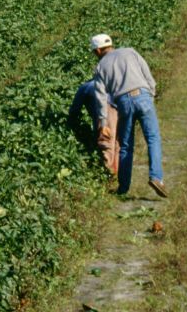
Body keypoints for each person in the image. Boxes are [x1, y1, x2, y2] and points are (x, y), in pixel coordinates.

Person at [89, 33, 166, 197]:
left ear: (98, 50)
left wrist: (103, 124)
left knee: (125, 146)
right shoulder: (130, 52)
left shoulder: (101, 67)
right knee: (153, 138)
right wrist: (150, 93)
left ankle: (123, 188)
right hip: (143, 96)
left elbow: (101, 98)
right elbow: (147, 74)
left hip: (123, 102)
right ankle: (156, 178)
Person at [68, 77, 119, 175]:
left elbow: (74, 110)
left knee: (106, 143)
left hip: (104, 114)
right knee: (116, 143)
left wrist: (71, 124)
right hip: (117, 111)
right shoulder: (109, 84)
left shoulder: (85, 87)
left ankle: (108, 174)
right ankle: (116, 174)